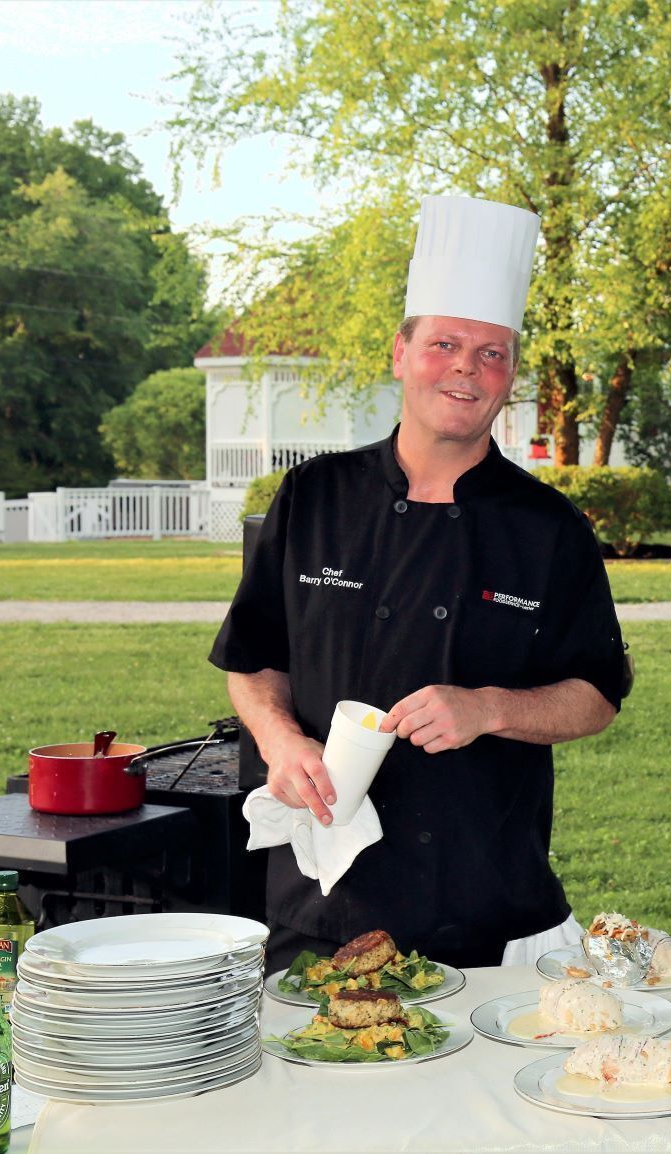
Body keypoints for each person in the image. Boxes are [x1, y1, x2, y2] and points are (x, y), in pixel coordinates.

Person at [210, 195, 625, 970]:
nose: (467, 368)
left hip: (482, 902)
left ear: (510, 376)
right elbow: (253, 657)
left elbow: (598, 696)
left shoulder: (548, 529)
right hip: (317, 901)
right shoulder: (312, 498)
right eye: (444, 344)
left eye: (492, 353)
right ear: (400, 355)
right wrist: (278, 738)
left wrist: (489, 707)